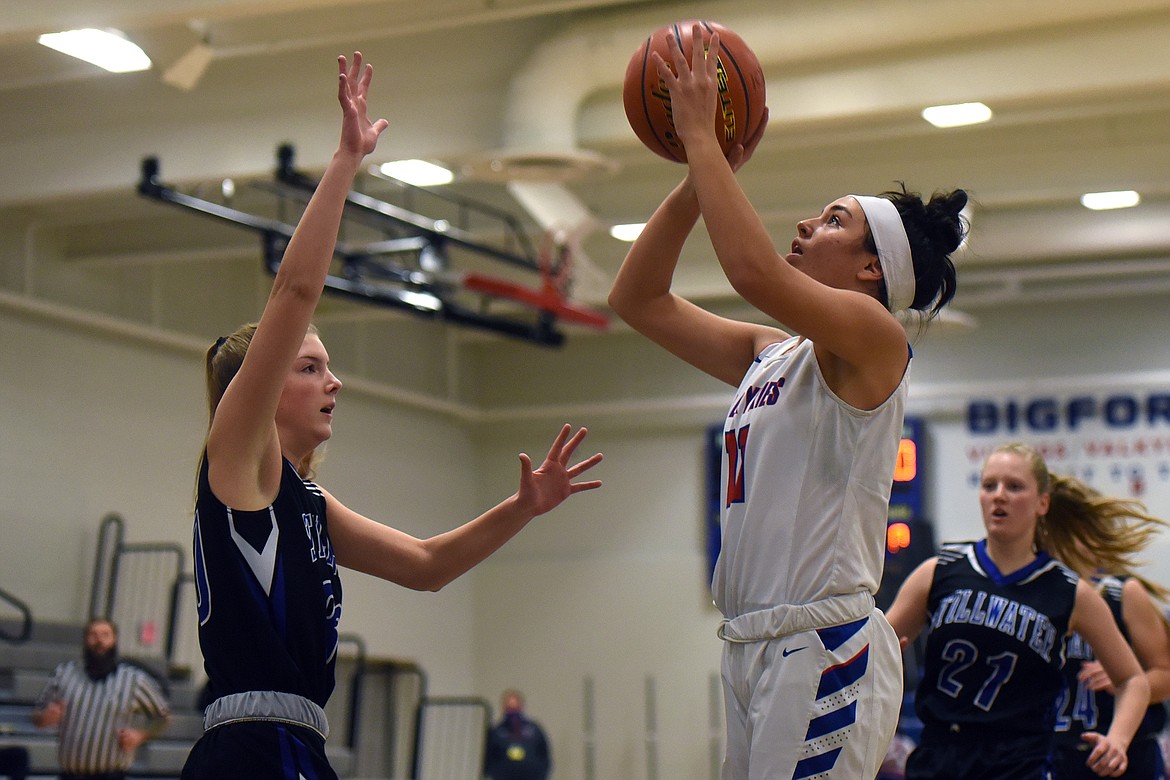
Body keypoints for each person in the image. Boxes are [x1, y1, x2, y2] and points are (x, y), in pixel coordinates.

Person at [181, 53, 602, 780]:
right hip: (250, 749)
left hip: (299, 745)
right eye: (310, 367)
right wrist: (346, 161)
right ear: (265, 384)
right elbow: (295, 291)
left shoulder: (305, 503)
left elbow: (428, 567)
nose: (333, 382)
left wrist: (523, 507)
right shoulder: (237, 462)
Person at [607, 23, 965, 780]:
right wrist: (693, 174)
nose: (807, 223)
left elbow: (752, 272)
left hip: (824, 646)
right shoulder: (773, 355)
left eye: (834, 219)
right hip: (748, 643)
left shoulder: (876, 337)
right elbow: (636, 298)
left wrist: (704, 140)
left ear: (874, 267)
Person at [885, 443, 1152, 779]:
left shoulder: (1070, 591)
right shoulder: (939, 571)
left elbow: (1133, 680)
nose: (999, 496)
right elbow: (875, 646)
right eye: (989, 485)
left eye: (1014, 487)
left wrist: (1118, 739)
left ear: (1043, 503)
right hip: (939, 756)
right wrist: (882, 657)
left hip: (1019, 763)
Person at [1045, 486, 1170, 779]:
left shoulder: (1124, 593)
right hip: (1053, 752)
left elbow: (1165, 674)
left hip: (1126, 752)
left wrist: (1128, 678)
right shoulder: (1036, 596)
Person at [31, 618, 171, 780]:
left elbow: (163, 717)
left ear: (115, 640)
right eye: (93, 635)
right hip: (70, 775)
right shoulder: (64, 674)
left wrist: (141, 735)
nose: (99, 641)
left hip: (110, 775)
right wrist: (44, 718)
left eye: (105, 635)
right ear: (85, 640)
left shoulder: (134, 680)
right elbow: (36, 715)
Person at [484, 689, 552, 780]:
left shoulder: (535, 730)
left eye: (515, 708)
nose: (513, 713)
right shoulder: (496, 733)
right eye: (509, 708)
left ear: (521, 707)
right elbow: (489, 759)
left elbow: (544, 755)